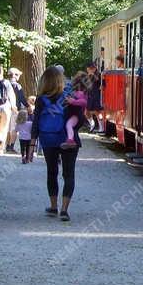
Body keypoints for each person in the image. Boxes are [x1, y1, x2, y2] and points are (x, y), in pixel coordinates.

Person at [34, 66, 80, 222]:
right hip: (69, 140)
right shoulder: (68, 96)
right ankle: (64, 210)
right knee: (69, 174)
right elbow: (79, 118)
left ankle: (53, 206)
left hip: (49, 139)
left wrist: (32, 144)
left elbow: (35, 122)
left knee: (51, 172)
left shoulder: (41, 99)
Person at [82, 61, 103, 133]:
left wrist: (92, 75)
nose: (87, 70)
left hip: (96, 95)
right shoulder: (89, 75)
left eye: (88, 69)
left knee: (97, 112)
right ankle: (93, 124)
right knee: (87, 112)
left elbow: (102, 84)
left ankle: (101, 127)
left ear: (92, 68)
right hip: (90, 95)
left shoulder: (99, 74)